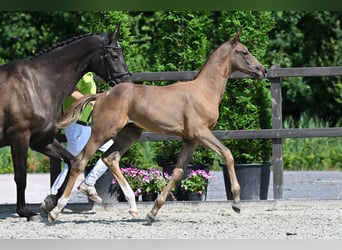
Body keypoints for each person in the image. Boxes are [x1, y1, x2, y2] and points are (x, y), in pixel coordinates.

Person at [41, 72, 111, 212]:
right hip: (77, 125)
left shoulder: (89, 74)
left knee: (111, 149)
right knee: (72, 162)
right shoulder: (81, 75)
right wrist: (91, 101)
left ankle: (89, 182)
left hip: (88, 126)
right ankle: (53, 195)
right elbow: (69, 90)